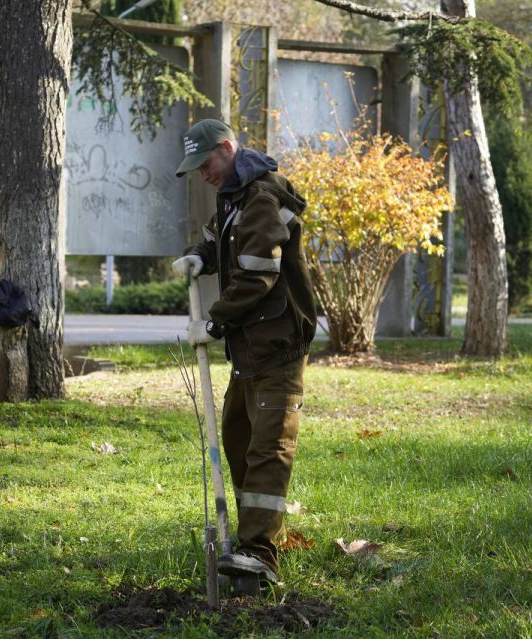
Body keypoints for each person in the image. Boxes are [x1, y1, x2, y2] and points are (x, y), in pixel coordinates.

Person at [172, 119, 317, 587]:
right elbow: (224, 240)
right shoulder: (234, 196)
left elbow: (258, 275)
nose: (203, 174)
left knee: (267, 450)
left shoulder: (261, 198)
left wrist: (215, 322)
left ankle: (260, 555)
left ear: (227, 148)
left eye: (206, 163)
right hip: (250, 350)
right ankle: (251, 537)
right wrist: (200, 254)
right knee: (237, 440)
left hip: (278, 346)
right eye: (196, 168)